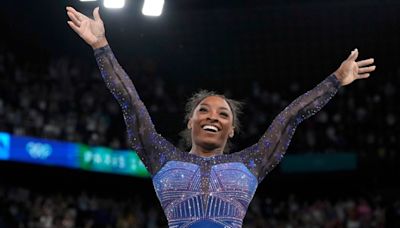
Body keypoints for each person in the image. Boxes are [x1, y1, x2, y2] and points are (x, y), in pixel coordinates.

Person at [66, 6, 376, 228]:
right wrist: (100, 46)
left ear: (231, 129)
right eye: (203, 110)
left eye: (223, 114)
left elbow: (291, 117)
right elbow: (130, 102)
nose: (212, 117)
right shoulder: (160, 155)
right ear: (190, 121)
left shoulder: (253, 161)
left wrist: (336, 79)